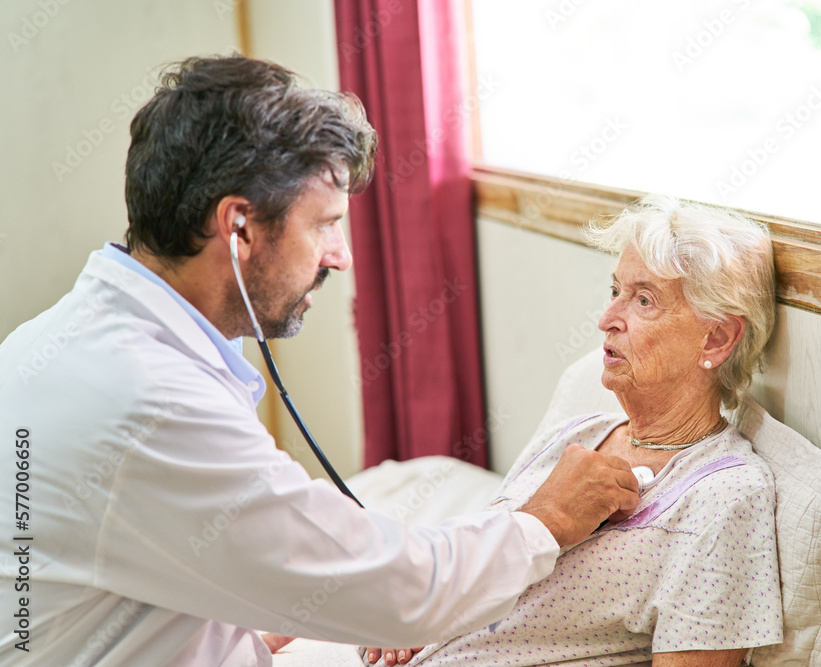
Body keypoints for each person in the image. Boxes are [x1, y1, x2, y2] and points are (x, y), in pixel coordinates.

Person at [0, 55, 639, 665]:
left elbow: (121, 549)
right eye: (325, 224)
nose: (341, 256)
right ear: (239, 227)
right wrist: (545, 520)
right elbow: (405, 593)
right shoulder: (150, 402)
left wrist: (230, 617)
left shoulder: (55, 339)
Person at [364, 195, 783, 667]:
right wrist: (425, 609)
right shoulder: (578, 433)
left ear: (717, 338)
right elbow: (489, 560)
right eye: (615, 291)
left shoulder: (727, 495)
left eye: (644, 300)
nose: (606, 320)